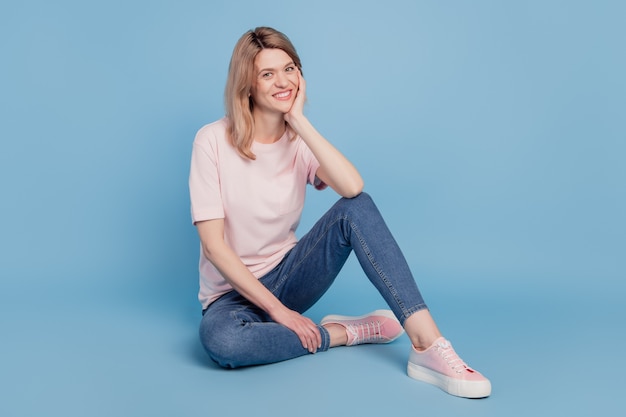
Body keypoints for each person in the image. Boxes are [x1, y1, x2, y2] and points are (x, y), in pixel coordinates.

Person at [189, 26, 491, 399]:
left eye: (290, 68)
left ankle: (428, 345)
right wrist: (281, 313)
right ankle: (345, 333)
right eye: (267, 74)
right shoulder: (212, 141)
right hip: (230, 297)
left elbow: (352, 188)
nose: (282, 81)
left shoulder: (297, 141)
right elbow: (215, 248)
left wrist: (298, 121)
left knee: (356, 209)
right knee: (223, 343)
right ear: (247, 85)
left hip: (289, 276)